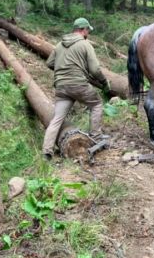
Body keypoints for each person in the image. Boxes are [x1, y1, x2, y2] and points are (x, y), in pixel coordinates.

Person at [42, 17, 110, 159]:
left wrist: (62, 69)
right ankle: (96, 136)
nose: (88, 33)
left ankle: (47, 151)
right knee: (96, 104)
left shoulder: (60, 44)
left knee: (57, 119)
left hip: (61, 86)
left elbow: (49, 63)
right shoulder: (85, 45)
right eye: (88, 30)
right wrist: (104, 82)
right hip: (78, 84)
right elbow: (95, 69)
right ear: (83, 30)